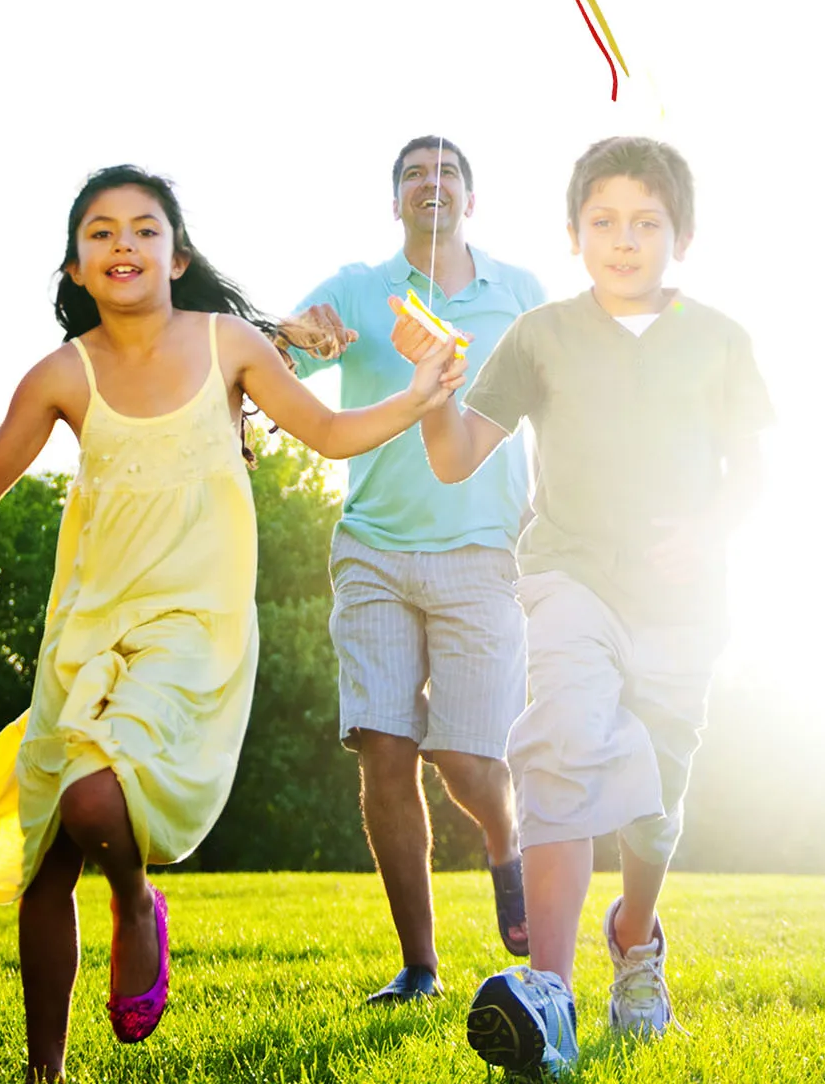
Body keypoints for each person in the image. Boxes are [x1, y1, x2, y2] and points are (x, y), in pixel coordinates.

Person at [0, 165, 462, 1081]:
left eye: (144, 229)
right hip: (86, 625)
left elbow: (325, 432)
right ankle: (46, 1068)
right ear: (76, 269)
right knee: (45, 860)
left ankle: (132, 901)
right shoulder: (60, 375)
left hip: (190, 628)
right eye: (101, 233)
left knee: (93, 801)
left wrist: (414, 398)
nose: (123, 244)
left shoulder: (229, 344)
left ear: (178, 255)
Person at [392, 135, 771, 1076]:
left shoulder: (721, 339)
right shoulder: (541, 336)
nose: (625, 238)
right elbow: (452, 456)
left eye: (646, 221)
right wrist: (432, 390)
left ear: (681, 232)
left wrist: (708, 533)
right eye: (603, 220)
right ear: (573, 233)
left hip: (683, 601)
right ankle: (549, 995)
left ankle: (634, 937)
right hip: (568, 576)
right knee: (559, 740)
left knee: (655, 809)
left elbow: (755, 468)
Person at [288, 135, 545, 1002]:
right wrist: (297, 332)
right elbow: (277, 352)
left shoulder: (517, 294)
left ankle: (505, 838)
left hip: (483, 553)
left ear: (470, 199)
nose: (429, 184)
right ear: (394, 199)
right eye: (413, 175)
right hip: (374, 551)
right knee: (385, 751)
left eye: (446, 174)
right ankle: (420, 968)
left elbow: (561, 404)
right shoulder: (358, 289)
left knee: (469, 761)